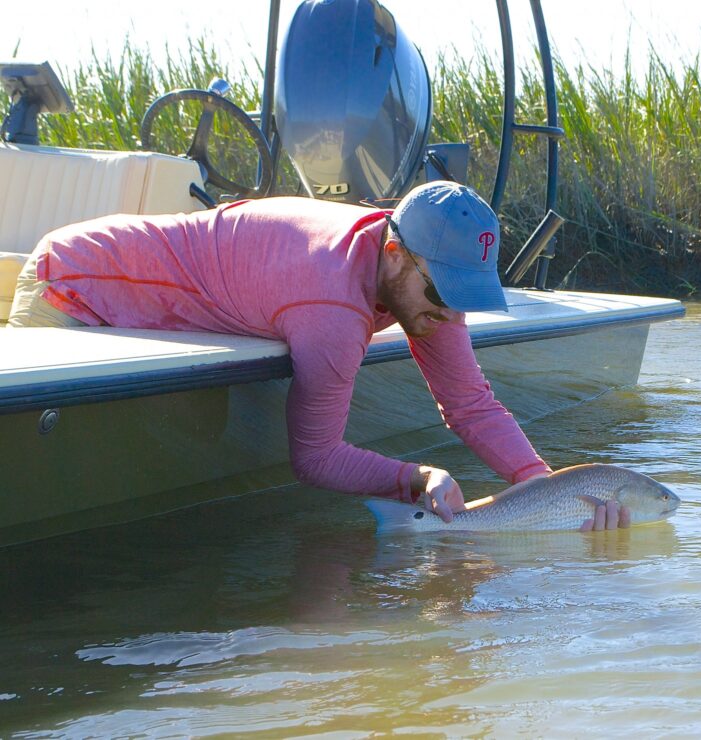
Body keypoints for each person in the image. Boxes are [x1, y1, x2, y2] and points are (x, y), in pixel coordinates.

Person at [7, 181, 628, 531]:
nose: (450, 316)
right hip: (78, 282)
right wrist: (417, 478)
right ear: (393, 255)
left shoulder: (417, 277)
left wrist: (548, 492)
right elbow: (314, 457)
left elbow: (469, 402)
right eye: (442, 294)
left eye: (468, 297)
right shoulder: (331, 307)